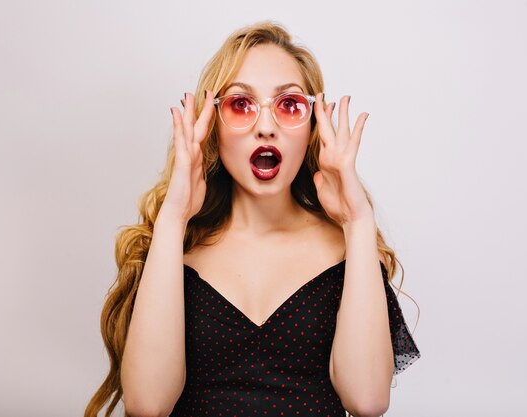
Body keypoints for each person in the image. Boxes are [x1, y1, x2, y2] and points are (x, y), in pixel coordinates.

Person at [84, 21, 420, 417]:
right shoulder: (176, 247)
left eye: (289, 105)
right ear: (211, 125)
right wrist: (173, 218)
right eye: (240, 105)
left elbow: (367, 401)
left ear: (314, 125)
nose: (265, 127)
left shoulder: (348, 252)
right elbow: (148, 405)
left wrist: (358, 220)